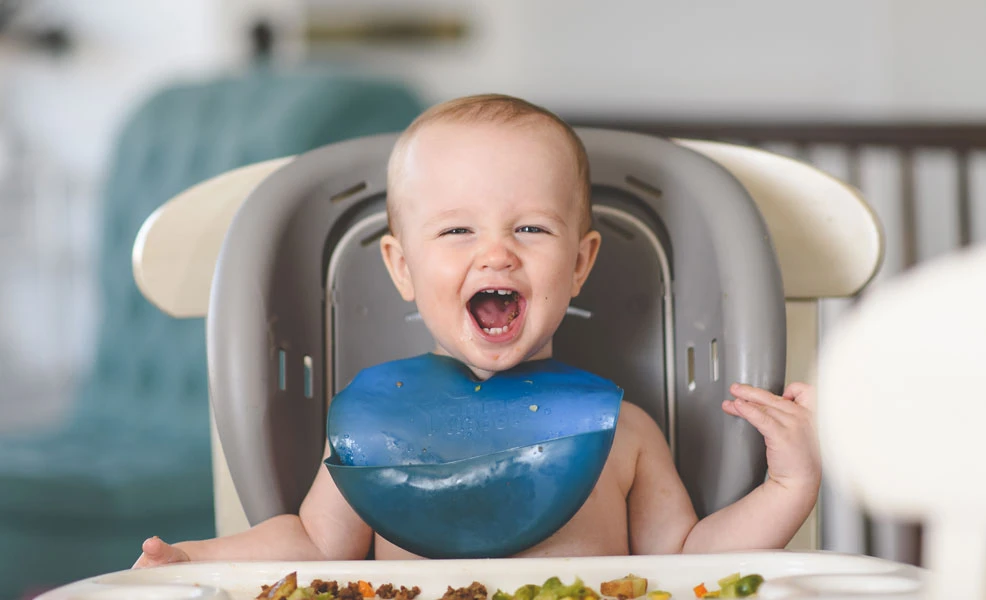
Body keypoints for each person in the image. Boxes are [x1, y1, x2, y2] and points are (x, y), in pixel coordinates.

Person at [135, 93, 820, 566]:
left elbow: (686, 561)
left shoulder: (624, 433)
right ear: (402, 268)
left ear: (580, 263)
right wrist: (195, 557)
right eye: (458, 230)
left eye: (530, 228)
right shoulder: (375, 430)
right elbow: (315, 545)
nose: (496, 252)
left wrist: (787, 488)